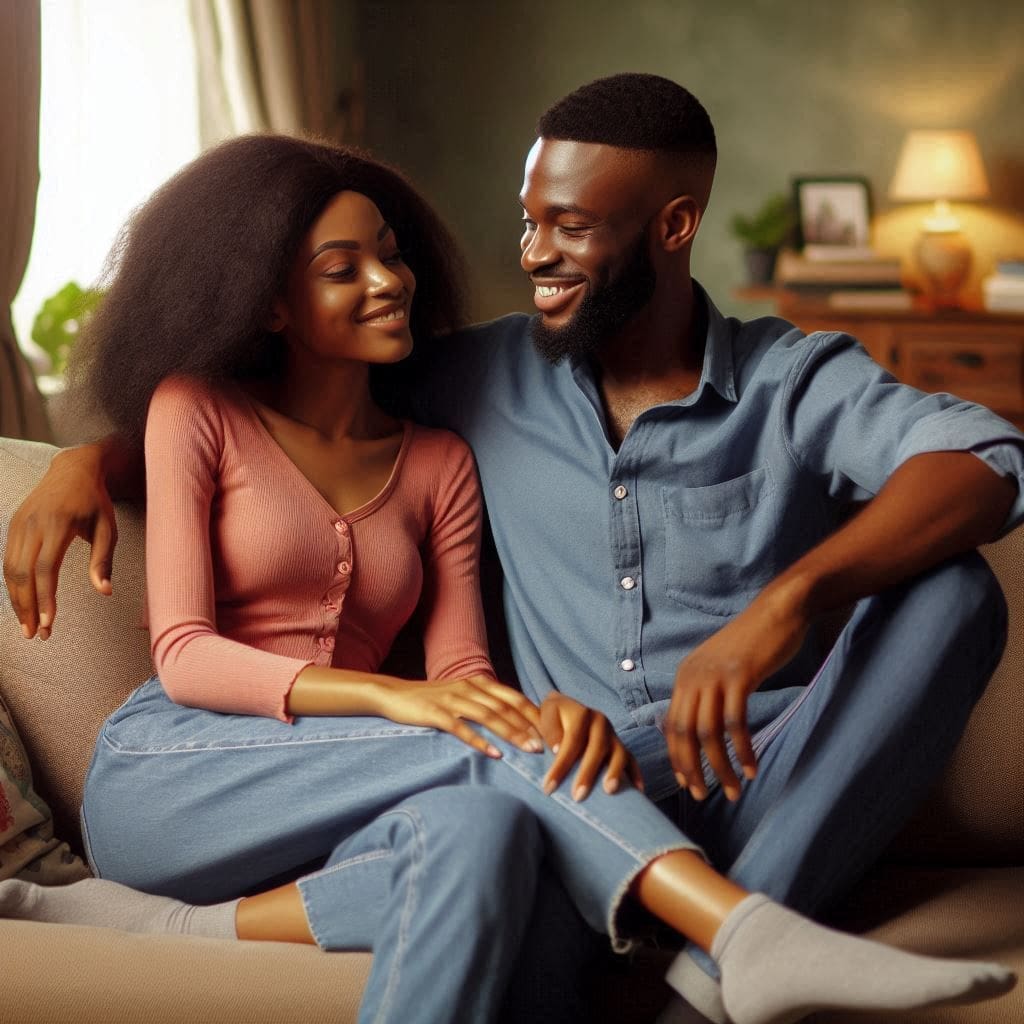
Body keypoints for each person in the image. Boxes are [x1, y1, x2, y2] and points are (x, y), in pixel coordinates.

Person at [2, 77, 1019, 1023]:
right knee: (488, 811)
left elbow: (986, 455)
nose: (533, 251)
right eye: (529, 220)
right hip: (546, 774)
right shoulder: (477, 375)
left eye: (569, 226)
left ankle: (712, 954)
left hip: (742, 784)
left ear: (674, 225)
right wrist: (84, 462)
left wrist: (789, 599)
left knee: (952, 596)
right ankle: (724, 945)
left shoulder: (787, 381)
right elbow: (274, 410)